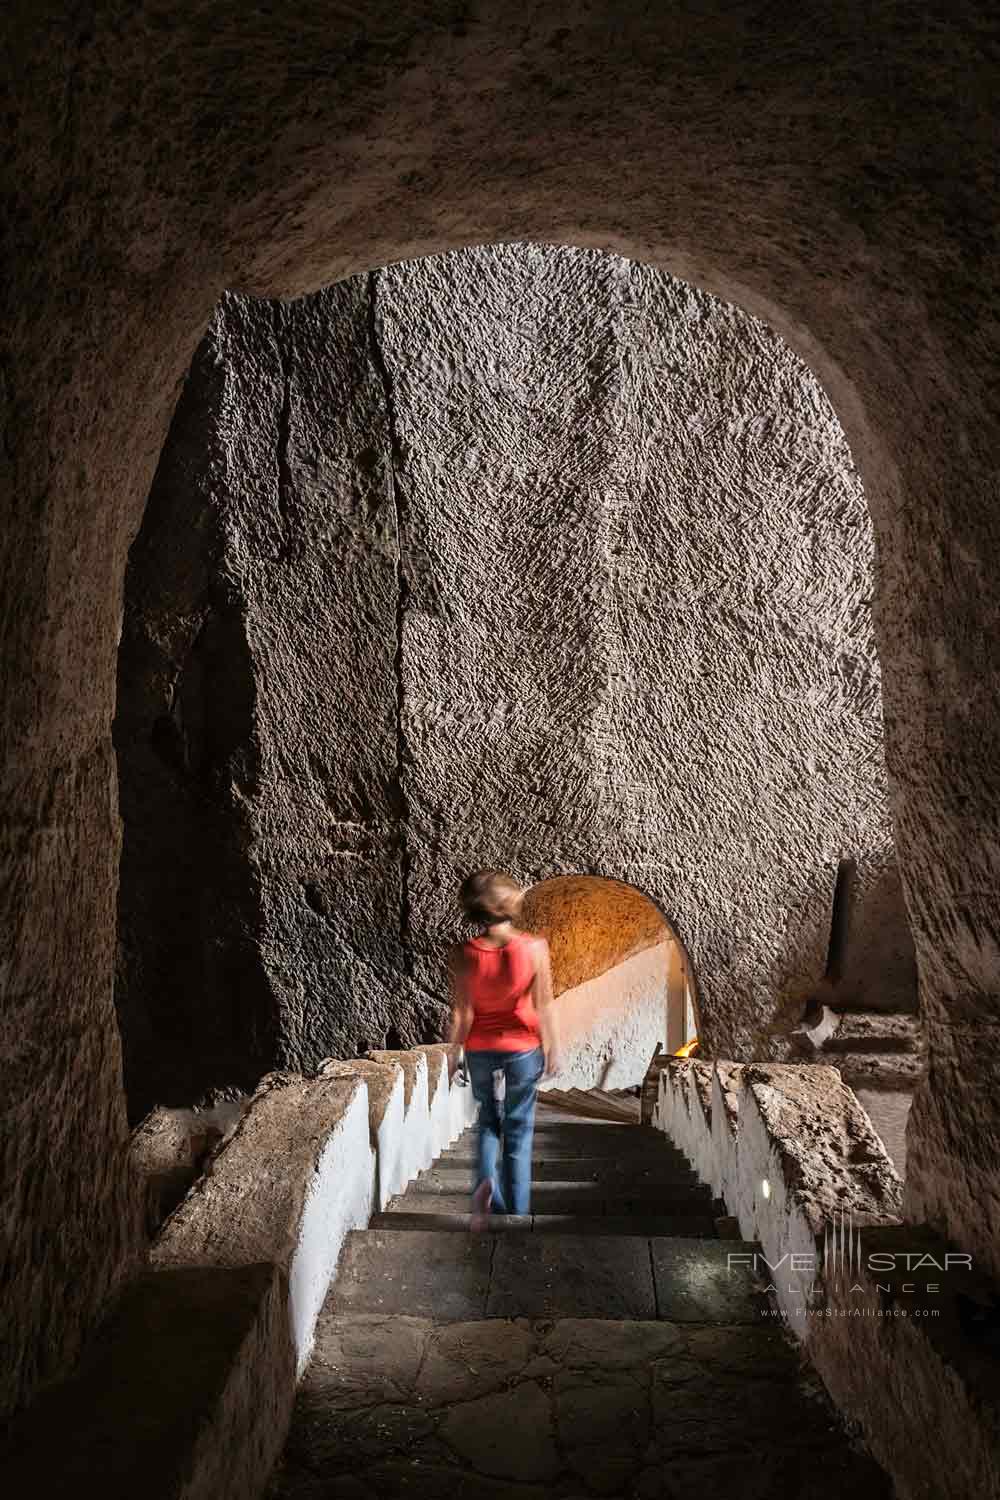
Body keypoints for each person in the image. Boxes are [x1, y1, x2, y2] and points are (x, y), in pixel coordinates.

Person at [447, 870, 560, 1228]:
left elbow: (462, 1010)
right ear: (510, 904)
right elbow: (544, 1004)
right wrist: (553, 1046)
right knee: (519, 1130)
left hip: (480, 1047)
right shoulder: (533, 948)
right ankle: (518, 1213)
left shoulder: (465, 953)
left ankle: (484, 1184)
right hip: (523, 1049)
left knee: (487, 1120)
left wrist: (454, 1053)